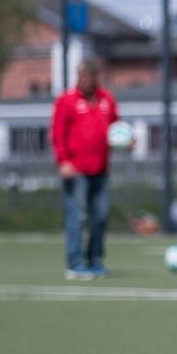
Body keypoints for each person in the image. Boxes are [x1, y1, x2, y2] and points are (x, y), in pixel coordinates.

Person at [51, 58, 121, 280]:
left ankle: (95, 260)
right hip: (76, 170)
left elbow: (116, 129)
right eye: (79, 76)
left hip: (100, 169)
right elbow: (57, 134)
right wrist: (63, 161)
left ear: (95, 77)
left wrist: (126, 140)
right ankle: (75, 263)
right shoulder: (66, 101)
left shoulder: (106, 100)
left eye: (85, 76)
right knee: (78, 216)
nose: (81, 80)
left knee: (100, 217)